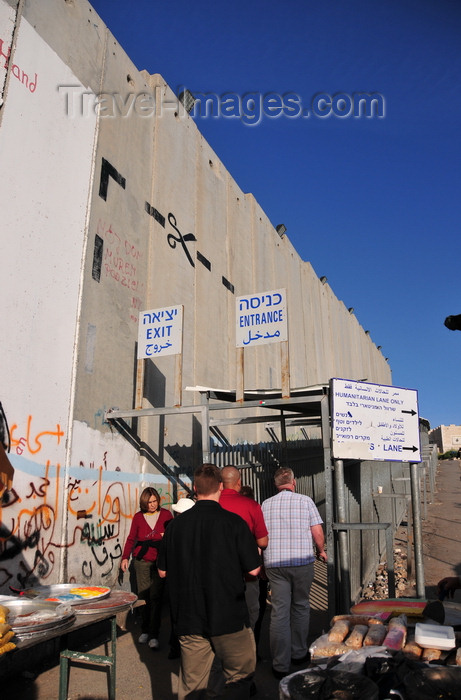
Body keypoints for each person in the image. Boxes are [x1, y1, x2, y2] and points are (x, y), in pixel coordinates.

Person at [157, 463, 261, 700]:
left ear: (194, 488)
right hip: (229, 617)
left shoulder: (174, 527)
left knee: (193, 685)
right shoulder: (234, 523)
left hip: (189, 617)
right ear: (221, 488)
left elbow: (162, 572)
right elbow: (254, 570)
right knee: (239, 678)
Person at [261, 467, 327, 679]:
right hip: (301, 563)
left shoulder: (266, 504)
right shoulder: (305, 501)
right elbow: (317, 530)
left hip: (275, 564)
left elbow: (261, 535)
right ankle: (298, 653)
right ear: (294, 482)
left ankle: (280, 664)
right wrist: (321, 550)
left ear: (276, 484)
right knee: (300, 605)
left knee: (279, 612)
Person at [120, 487, 173, 648]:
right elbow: (131, 539)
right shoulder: (138, 517)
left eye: (155, 501)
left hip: (160, 561)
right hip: (142, 561)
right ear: (144, 503)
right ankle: (145, 630)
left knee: (156, 597)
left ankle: (154, 633)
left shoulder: (166, 515)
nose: (152, 505)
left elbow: (172, 537)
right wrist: (124, 557)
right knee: (144, 597)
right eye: (149, 502)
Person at [219, 466, 268, 629]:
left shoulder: (213, 504)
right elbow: (263, 542)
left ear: (220, 484)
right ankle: (247, 646)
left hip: (218, 573)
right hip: (247, 572)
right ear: (238, 483)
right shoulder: (251, 506)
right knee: (250, 613)